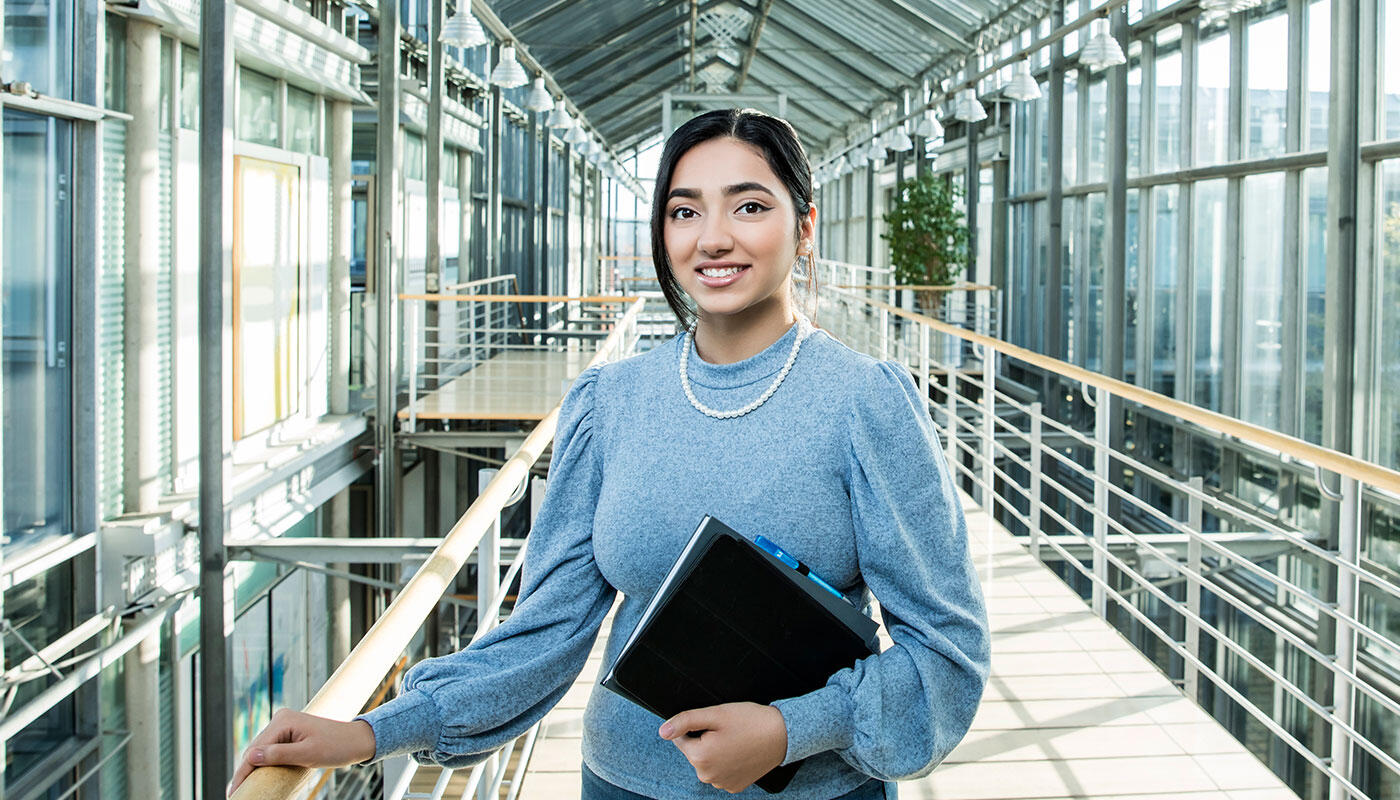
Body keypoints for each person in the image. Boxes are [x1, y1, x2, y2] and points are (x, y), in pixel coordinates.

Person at [228, 108, 989, 800]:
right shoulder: (611, 402)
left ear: (805, 226)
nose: (712, 238)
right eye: (684, 211)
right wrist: (372, 730)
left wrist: (790, 731)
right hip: (623, 782)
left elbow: (947, 654)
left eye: (749, 206)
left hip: (819, 792)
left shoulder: (865, 403)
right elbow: (549, 627)